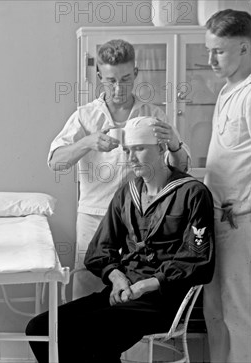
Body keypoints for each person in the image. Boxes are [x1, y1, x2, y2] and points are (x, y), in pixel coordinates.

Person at [28, 116, 215, 363]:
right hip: (122, 292)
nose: (131, 158)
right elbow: (99, 249)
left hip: (161, 301)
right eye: (127, 150)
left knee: (89, 335)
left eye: (139, 149)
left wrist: (145, 285)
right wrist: (117, 279)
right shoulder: (128, 192)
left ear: (161, 148)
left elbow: (197, 260)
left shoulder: (192, 193)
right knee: (40, 328)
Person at [47, 39, 191, 299]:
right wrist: (87, 142)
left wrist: (174, 143)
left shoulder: (153, 115)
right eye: (111, 80)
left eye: (125, 79)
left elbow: (181, 170)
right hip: (93, 217)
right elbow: (56, 162)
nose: (118, 87)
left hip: (140, 221)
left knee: (133, 294)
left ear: (135, 73)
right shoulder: (85, 116)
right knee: (86, 292)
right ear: (100, 76)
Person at [202, 9, 251, 363]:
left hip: (241, 220)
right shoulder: (227, 91)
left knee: (240, 313)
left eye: (218, 51)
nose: (210, 60)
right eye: (210, 50)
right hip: (217, 218)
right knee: (214, 312)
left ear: (245, 49)